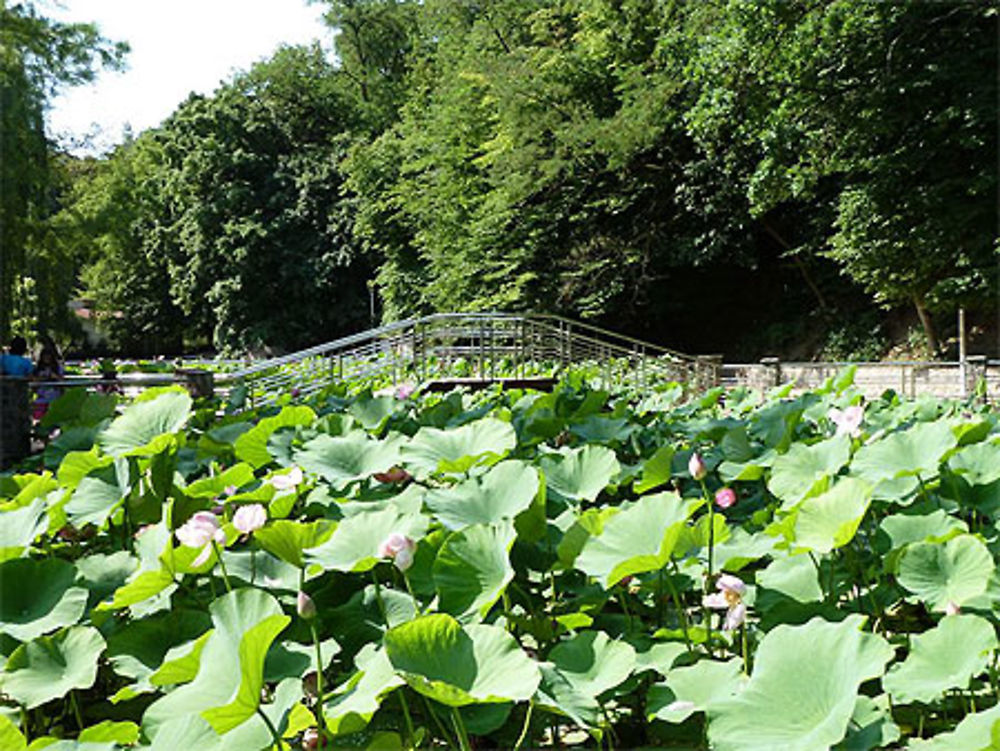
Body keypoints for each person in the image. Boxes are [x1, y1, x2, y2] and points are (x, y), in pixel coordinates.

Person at [32, 336, 64, 421]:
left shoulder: (58, 368)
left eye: (49, 356)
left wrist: (54, 376)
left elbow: (62, 382)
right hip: (41, 399)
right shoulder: (38, 369)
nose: (47, 358)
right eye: (45, 356)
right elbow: (33, 384)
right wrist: (41, 378)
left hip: (54, 399)